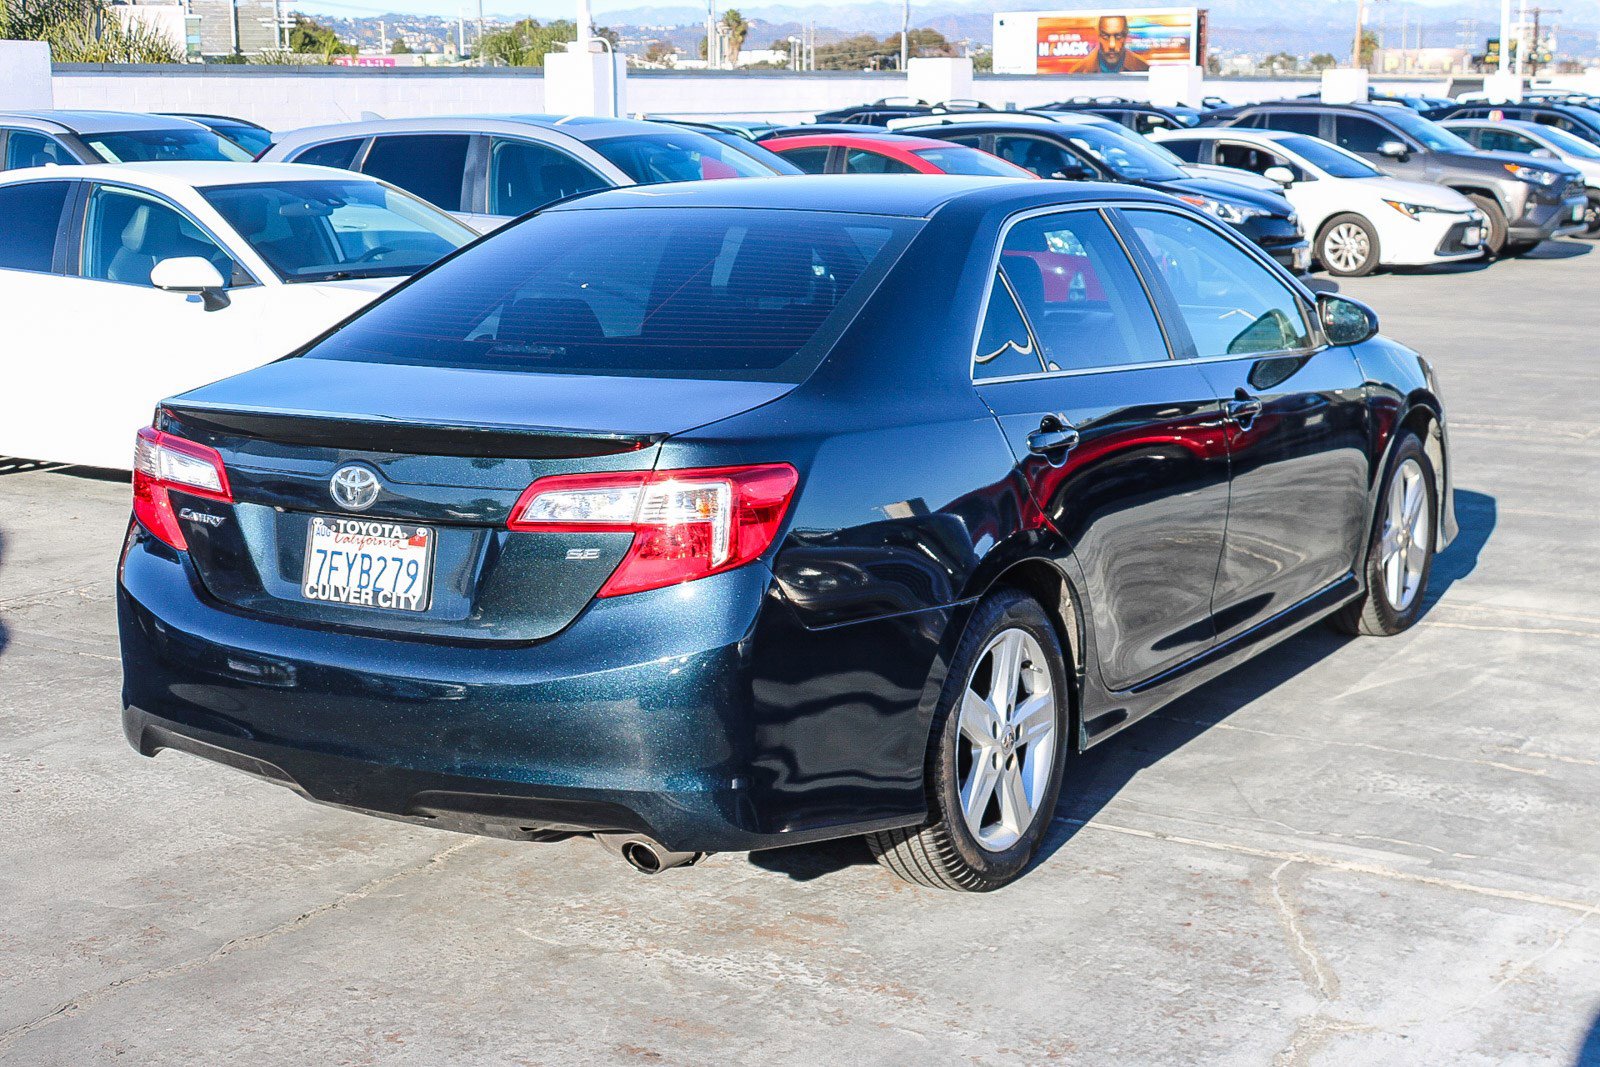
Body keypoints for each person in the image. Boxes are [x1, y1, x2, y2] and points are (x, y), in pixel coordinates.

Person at [1062, 15, 1148, 75]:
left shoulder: (1143, 68)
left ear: (1126, 36)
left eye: (1118, 36)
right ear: (1098, 35)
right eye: (1105, 36)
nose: (1112, 45)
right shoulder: (1079, 71)